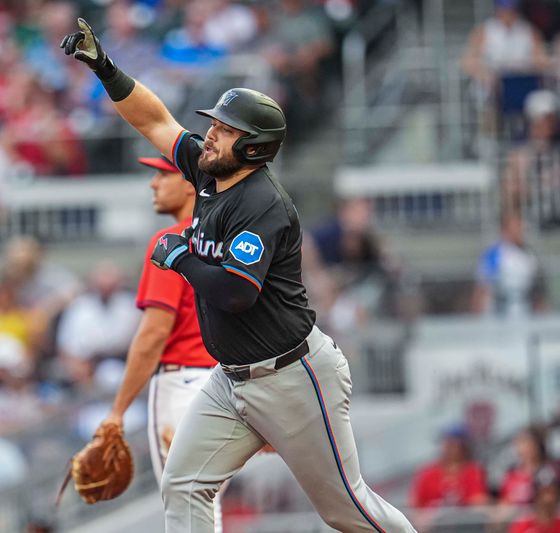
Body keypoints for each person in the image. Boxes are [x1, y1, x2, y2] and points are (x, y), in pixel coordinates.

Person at [61, 19, 416, 532]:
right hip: (231, 379)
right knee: (182, 483)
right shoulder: (210, 170)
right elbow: (156, 121)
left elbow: (234, 294)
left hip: (292, 377)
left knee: (346, 510)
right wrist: (104, 67)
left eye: (226, 130)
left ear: (254, 147)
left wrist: (178, 254)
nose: (211, 134)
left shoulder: (263, 204)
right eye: (215, 124)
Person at [98, 156, 221, 528]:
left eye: (162, 174)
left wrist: (117, 411)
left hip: (182, 387)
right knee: (204, 505)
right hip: (225, 385)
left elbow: (152, 335)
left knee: (188, 508)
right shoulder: (222, 241)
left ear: (189, 184)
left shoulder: (172, 241)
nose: (153, 183)